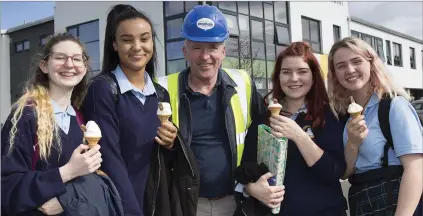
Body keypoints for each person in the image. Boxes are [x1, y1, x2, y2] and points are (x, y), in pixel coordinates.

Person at [81, 4, 197, 216]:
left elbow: (161, 160)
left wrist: (170, 143)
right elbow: (109, 159)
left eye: (144, 38)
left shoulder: (161, 94)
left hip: (157, 203)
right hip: (119, 206)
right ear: (114, 45)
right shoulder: (103, 89)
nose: (137, 46)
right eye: (127, 40)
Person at [157, 4, 264, 216]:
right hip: (188, 205)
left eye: (213, 48)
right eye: (197, 47)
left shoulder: (243, 83)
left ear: (223, 52)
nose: (205, 57)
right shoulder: (162, 91)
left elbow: (266, 132)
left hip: (235, 200)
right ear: (185, 51)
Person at [234, 41, 347, 216]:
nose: (294, 79)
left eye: (302, 71)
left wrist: (298, 135)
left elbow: (334, 172)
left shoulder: (330, 116)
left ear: (314, 76)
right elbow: (245, 169)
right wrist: (252, 188)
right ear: (278, 77)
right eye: (286, 72)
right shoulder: (263, 119)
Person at [1, 33, 103, 215]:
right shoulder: (25, 116)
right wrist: (67, 171)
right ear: (44, 66)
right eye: (60, 57)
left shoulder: (80, 119)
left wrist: (67, 198)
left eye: (77, 59)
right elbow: (6, 189)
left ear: (85, 67)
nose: (69, 64)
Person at [327, 37, 423, 216]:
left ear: (371, 64)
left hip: (394, 200)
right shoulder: (345, 116)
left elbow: (416, 168)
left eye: (357, 61)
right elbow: (346, 174)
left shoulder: (393, 106)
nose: (350, 70)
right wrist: (353, 144)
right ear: (334, 74)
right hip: (362, 202)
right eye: (341, 66)